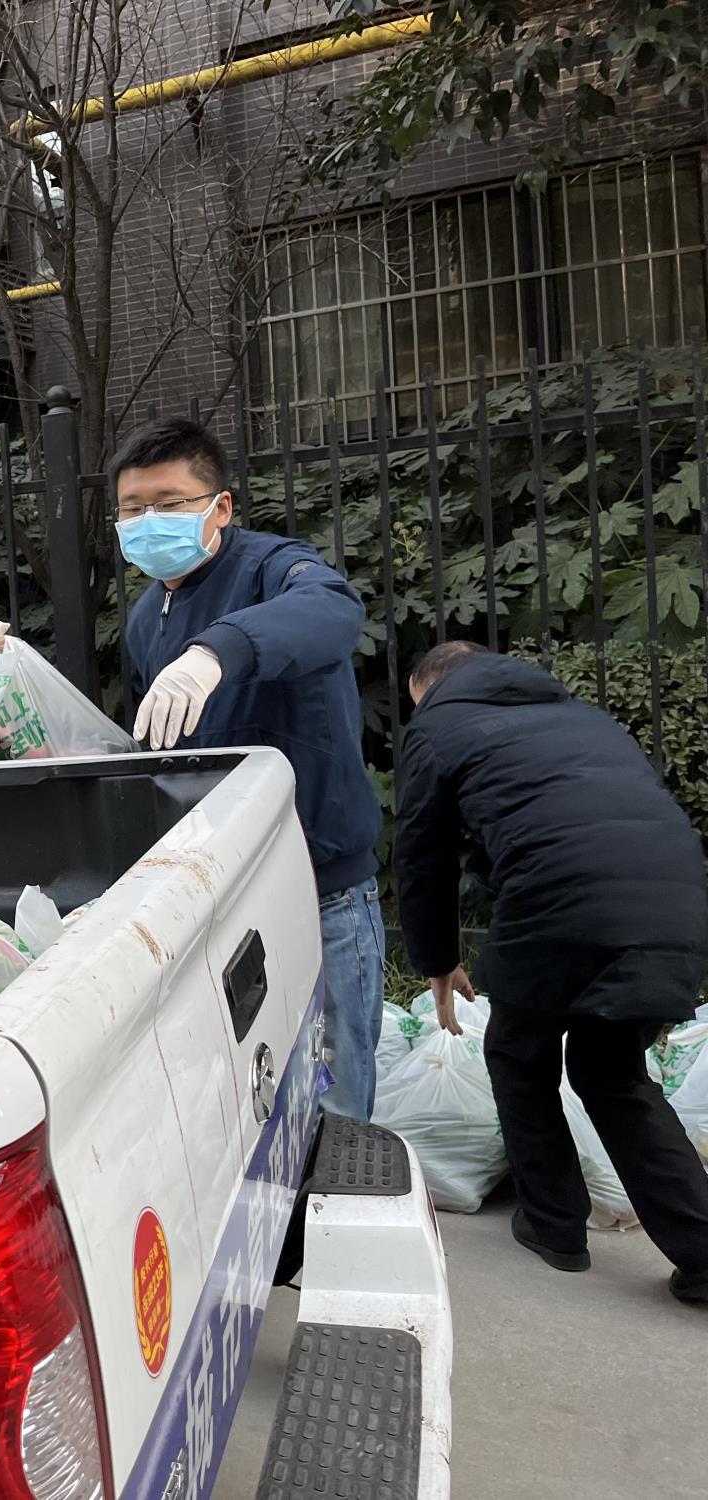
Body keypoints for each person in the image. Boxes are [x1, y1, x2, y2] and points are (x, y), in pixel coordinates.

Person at [394, 641, 708, 1305]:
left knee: (519, 1052)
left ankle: (553, 1225)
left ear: (428, 686)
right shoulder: (583, 717)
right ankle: (704, 1255)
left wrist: (437, 959)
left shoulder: (438, 724)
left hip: (560, 897)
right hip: (674, 905)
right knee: (613, 1075)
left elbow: (424, 853)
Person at [111, 418, 384, 1119]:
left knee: (335, 1096)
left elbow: (331, 610)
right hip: (218, 893)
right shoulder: (147, 616)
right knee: (252, 1101)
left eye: (169, 503)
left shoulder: (271, 568)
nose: (148, 521)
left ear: (221, 506)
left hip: (321, 889)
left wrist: (217, 651)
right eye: (132, 508)